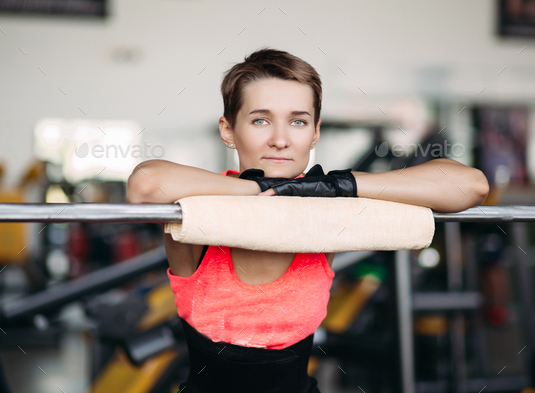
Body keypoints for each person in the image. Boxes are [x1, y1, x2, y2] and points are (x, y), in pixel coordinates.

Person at [126, 47, 490, 393]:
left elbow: (471, 186)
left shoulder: (322, 208)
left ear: (314, 133)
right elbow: (145, 183)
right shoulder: (201, 208)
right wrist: (260, 189)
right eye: (261, 120)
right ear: (228, 130)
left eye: (297, 122)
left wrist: (339, 184)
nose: (281, 139)